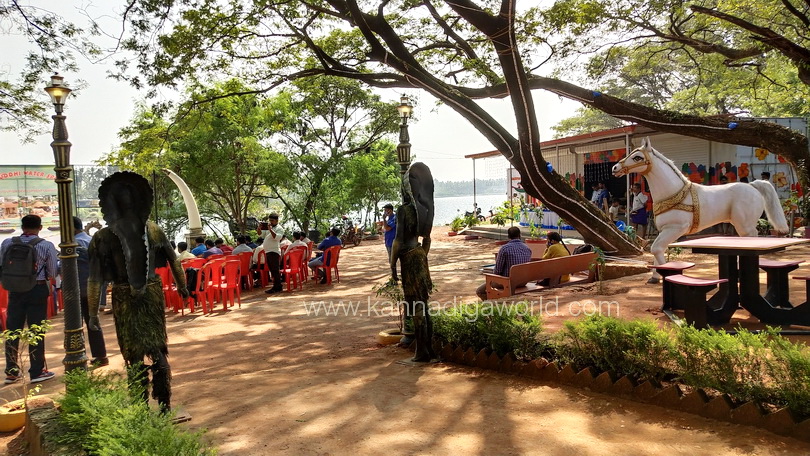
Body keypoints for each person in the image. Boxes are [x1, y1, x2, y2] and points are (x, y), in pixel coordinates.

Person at [87, 171, 189, 412]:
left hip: (126, 296)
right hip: (148, 293)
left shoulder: (103, 237)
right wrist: (182, 287)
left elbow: (95, 279)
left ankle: (142, 406)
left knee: (135, 354)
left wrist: (93, 313)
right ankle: (163, 405)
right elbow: (174, 261)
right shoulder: (153, 230)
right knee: (156, 349)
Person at [1, 215, 58, 384]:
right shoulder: (46, 245)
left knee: (12, 330)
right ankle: (36, 371)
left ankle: (11, 372)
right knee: (36, 330)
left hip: (15, 290)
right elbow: (53, 272)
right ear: (40, 227)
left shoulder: (7, 243)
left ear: (22, 227)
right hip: (37, 289)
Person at [73, 216, 108, 367]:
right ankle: (100, 355)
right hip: (92, 287)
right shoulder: (90, 240)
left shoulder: (75, 243)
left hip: (77, 289)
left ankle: (78, 355)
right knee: (93, 321)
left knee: (74, 324)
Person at [476, 226, 531, 301]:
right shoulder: (527, 248)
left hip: (507, 283)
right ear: (519, 235)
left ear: (508, 236)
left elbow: (497, 271)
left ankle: (492, 304)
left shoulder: (504, 249)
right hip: (523, 282)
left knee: (479, 291)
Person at [262, 213, 285, 294]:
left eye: (272, 220)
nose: (271, 222)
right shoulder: (269, 228)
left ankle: (278, 286)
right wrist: (259, 229)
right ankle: (276, 285)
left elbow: (277, 237)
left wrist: (270, 230)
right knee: (272, 270)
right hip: (268, 251)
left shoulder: (279, 228)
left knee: (275, 270)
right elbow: (260, 234)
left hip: (274, 251)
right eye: (270, 220)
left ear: (276, 220)